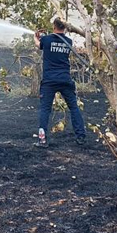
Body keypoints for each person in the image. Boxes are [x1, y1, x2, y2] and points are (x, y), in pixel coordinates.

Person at [34, 18, 87, 148]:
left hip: (49, 81)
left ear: (53, 26)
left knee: (45, 109)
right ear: (65, 28)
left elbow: (38, 45)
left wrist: (35, 37)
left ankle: (42, 140)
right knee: (74, 107)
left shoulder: (46, 39)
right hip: (65, 79)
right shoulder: (68, 41)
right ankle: (81, 137)